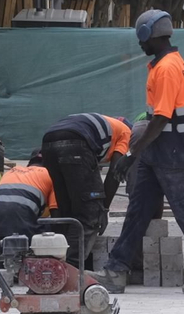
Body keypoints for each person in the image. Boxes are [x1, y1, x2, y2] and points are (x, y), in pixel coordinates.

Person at [99, 9, 184, 295]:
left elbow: (161, 118)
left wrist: (132, 155)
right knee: (138, 210)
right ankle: (116, 269)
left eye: (141, 38)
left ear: (149, 35)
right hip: (160, 151)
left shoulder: (168, 68)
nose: (140, 44)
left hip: (174, 153)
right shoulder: (165, 63)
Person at [39, 112, 133, 265]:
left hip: (48, 142)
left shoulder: (102, 126)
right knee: (90, 213)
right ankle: (72, 267)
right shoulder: (126, 132)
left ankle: (56, 261)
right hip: (76, 141)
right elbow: (115, 171)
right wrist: (103, 209)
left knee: (66, 211)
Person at [0, 152, 57, 254]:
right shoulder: (50, 175)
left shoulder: (11, 172)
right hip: (23, 237)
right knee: (61, 226)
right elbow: (57, 215)